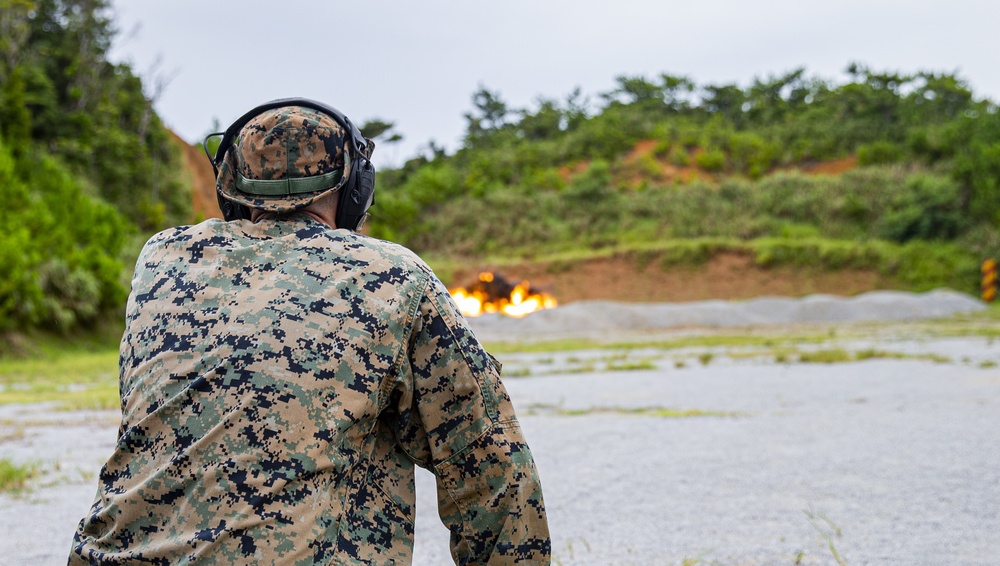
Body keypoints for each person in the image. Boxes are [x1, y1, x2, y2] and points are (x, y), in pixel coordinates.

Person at [69, 100, 550, 564]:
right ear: (356, 190)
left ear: (232, 189)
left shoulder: (163, 259)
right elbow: (492, 470)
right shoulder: (390, 274)